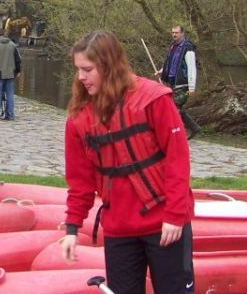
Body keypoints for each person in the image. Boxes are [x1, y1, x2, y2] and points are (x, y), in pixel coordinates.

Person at [61, 30, 195, 294]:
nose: (81, 77)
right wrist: (72, 229)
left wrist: (175, 216)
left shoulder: (154, 100)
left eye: (87, 69)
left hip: (166, 225)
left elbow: (177, 160)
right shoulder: (79, 119)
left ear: (109, 66)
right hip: (120, 229)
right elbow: (80, 182)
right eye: (78, 69)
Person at [157, 25, 200, 139]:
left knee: (174, 107)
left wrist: (192, 87)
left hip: (183, 84)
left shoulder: (188, 48)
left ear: (182, 33)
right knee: (175, 107)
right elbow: (170, 62)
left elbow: (192, 68)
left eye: (176, 32)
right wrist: (161, 71)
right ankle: (194, 127)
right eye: (173, 33)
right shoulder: (173, 46)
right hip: (172, 81)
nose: (174, 35)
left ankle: (175, 132)